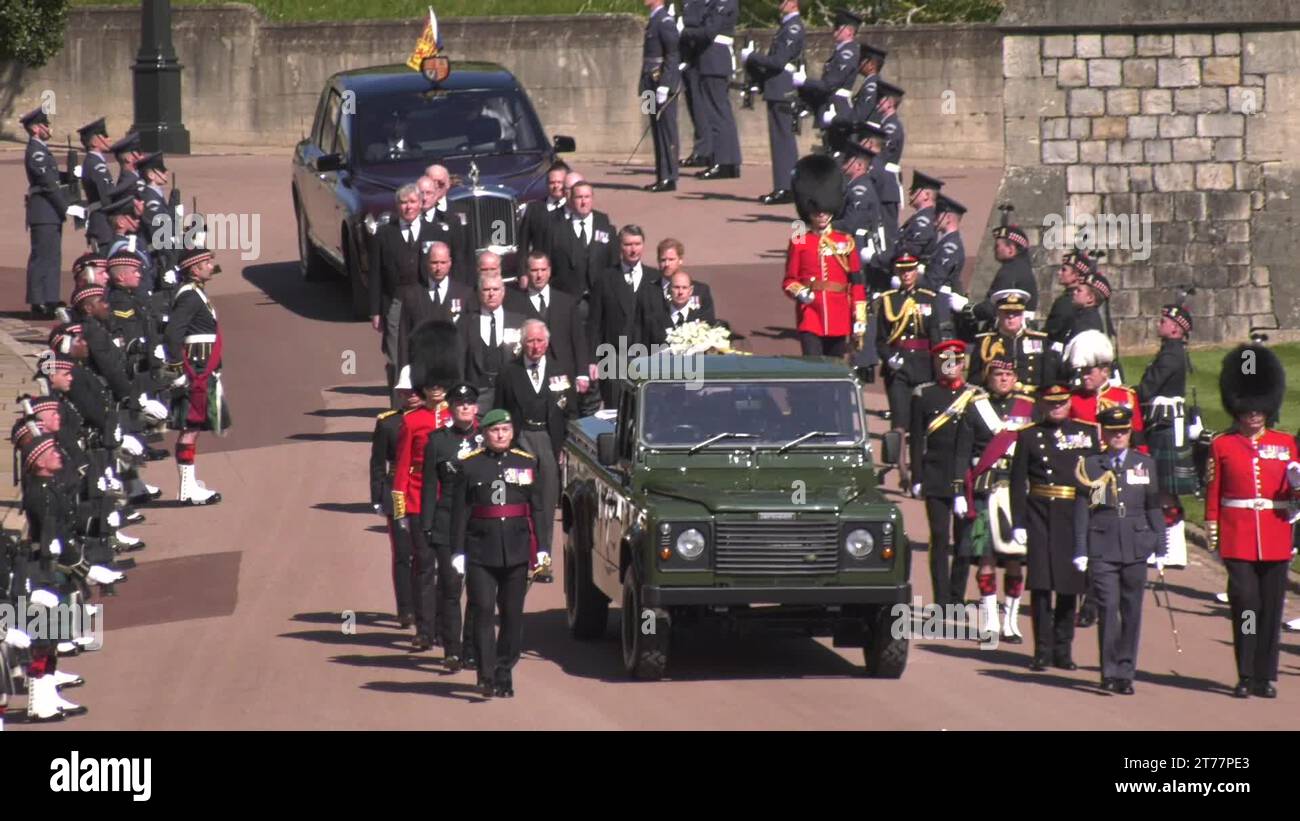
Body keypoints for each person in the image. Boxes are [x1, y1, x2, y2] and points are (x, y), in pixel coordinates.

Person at [1205, 342, 1296, 698]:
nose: (1254, 413)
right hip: (1238, 536)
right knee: (1246, 604)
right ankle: (1245, 673)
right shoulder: (1222, 445)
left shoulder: (1286, 443)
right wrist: (1213, 532)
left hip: (1275, 535)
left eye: (1260, 406)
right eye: (1248, 406)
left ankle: (1265, 676)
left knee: (1271, 610)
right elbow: (1214, 492)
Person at [450, 409, 548, 698]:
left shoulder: (527, 462)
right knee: (482, 610)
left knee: (512, 616)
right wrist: (458, 551)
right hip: (481, 549)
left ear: (513, 432)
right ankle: (486, 673)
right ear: (485, 433)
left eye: (505, 429)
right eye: (495, 430)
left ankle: (505, 671)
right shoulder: (470, 466)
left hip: (516, 552)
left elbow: (538, 510)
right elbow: (460, 512)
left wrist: (542, 549)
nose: (501, 435)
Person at [1073, 405, 1165, 695]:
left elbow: (1153, 507)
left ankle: (1126, 672)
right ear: (1105, 434)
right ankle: (1109, 671)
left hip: (1136, 546)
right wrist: (1081, 549)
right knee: (1108, 608)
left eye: (1123, 432)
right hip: (1103, 544)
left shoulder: (1144, 464)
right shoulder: (1092, 466)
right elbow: (1085, 510)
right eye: (1113, 433)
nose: (1119, 437)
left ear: (1129, 432)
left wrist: (1161, 546)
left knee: (1132, 610)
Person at [1010, 383, 1098, 670]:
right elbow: (1017, 482)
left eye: (1061, 402)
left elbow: (1096, 479)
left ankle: (1063, 649)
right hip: (1040, 515)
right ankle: (1041, 650)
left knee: (1069, 586)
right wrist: (1019, 521)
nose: (1056, 407)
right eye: (1051, 403)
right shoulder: (1029, 436)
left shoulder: (1085, 434)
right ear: (1042, 404)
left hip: (1074, 515)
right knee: (1041, 585)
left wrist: (1095, 520)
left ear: (1069, 403)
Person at [954, 358, 1036, 642]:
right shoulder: (975, 407)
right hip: (984, 490)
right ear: (988, 378)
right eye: (998, 374)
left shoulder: (1029, 407)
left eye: (1009, 374)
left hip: (1017, 493)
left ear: (1016, 378)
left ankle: (1011, 623)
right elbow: (962, 453)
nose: (1003, 379)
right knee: (985, 559)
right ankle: (989, 622)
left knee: (1015, 559)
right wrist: (958, 492)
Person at [391, 321, 460, 651]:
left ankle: (448, 631)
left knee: (449, 572)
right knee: (423, 566)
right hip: (418, 501)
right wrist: (401, 510)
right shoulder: (412, 422)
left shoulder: (459, 421)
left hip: (449, 502)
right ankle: (424, 628)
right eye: (429, 385)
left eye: (439, 384)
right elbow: (402, 468)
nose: (435, 390)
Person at [495, 319, 579, 579]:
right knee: (519, 502)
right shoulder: (508, 373)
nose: (535, 346)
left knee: (544, 504)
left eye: (540, 341)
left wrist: (565, 446)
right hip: (520, 442)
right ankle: (517, 558)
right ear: (522, 343)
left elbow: (571, 412)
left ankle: (543, 558)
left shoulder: (561, 370)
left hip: (549, 444)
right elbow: (500, 412)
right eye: (530, 341)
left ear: (548, 342)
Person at [909, 339, 979, 606]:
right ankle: (940, 598)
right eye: (945, 361)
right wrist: (917, 477)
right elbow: (916, 439)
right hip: (936, 473)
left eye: (956, 361)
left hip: (967, 477)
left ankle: (956, 595)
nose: (951, 366)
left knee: (964, 541)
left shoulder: (975, 395)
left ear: (963, 363)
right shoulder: (924, 394)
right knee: (939, 537)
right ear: (937, 363)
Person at [420, 383, 484, 671]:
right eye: (459, 403)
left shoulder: (487, 439)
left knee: (478, 592)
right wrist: (427, 525)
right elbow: (429, 486)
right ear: (451, 407)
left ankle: (470, 649)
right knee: (450, 588)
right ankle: (452, 650)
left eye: (469, 402)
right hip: (446, 523)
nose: (464, 407)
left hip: (479, 524)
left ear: (476, 407)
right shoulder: (438, 441)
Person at [164, 247, 230, 505]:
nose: (211, 265)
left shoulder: (196, 293)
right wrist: (180, 370)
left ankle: (189, 484)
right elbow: (172, 335)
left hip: (203, 369)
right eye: (207, 262)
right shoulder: (190, 297)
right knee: (190, 427)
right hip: (196, 371)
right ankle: (186, 489)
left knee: (194, 428)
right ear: (194, 268)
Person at [783, 154, 864, 358]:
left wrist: (859, 315)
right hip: (810, 315)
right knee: (813, 366)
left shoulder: (845, 241)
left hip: (839, 314)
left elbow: (857, 282)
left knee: (836, 367)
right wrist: (800, 292)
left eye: (825, 211)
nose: (821, 214)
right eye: (817, 211)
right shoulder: (800, 239)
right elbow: (789, 279)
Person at [371, 383, 424, 629]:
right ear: (400, 394)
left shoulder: (434, 419)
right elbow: (378, 464)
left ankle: (425, 607)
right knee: (403, 553)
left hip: (425, 489)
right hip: (397, 491)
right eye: (406, 391)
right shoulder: (388, 423)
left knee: (425, 555)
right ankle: (405, 609)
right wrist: (378, 498)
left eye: (415, 390)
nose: (411, 395)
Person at [742, 0, 804, 204]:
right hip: (777, 86)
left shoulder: (793, 27)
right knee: (779, 139)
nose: (780, 4)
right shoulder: (785, 26)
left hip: (782, 87)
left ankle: (786, 188)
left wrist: (752, 57)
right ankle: (784, 186)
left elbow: (778, 61)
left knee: (782, 139)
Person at [22, 107, 82, 318]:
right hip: (43, 210)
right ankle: (38, 301)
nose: (49, 128)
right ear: (36, 128)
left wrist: (70, 175)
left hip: (50, 211)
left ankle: (49, 297)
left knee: (53, 256)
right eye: (45, 125)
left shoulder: (42, 150)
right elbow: (47, 184)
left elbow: (53, 176)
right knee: (42, 256)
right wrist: (65, 206)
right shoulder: (36, 151)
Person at [875, 255, 948, 427]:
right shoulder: (889, 300)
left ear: (916, 272)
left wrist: (941, 368)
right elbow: (881, 339)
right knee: (899, 421)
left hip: (924, 365)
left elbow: (935, 336)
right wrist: (889, 357)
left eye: (910, 270)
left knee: (921, 421)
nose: (906, 274)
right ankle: (895, 453)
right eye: (902, 271)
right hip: (898, 366)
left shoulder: (928, 298)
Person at [508, 253, 592, 397]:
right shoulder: (515, 305)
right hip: (530, 375)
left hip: (564, 375)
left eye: (543, 269)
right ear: (527, 272)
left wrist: (582, 374)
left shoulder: (566, 302)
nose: (539, 275)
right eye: (534, 270)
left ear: (550, 271)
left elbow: (578, 340)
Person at [369, 184, 426, 387]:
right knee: (395, 355)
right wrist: (375, 311)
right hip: (394, 301)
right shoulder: (383, 234)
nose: (408, 207)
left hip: (424, 301)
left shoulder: (433, 231)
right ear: (396, 206)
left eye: (412, 202)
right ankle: (397, 407)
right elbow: (375, 274)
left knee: (423, 352)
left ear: (421, 203)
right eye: (403, 202)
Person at [1138, 304, 1194, 496]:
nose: (1158, 324)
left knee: (1164, 491)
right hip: (1164, 421)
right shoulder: (1170, 351)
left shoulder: (1170, 354)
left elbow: (1148, 389)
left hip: (1165, 422)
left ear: (1175, 328)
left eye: (1163, 321)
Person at [682, 0, 741, 180]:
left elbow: (709, 31)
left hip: (714, 59)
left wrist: (684, 32)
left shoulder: (724, 2)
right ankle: (726, 162)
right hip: (708, 59)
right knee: (717, 113)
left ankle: (723, 162)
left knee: (718, 115)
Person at [395, 242, 474, 373]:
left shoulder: (464, 294)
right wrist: (404, 370)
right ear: (427, 263)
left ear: (450, 263)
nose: (438, 267)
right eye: (434, 262)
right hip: (422, 368)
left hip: (455, 368)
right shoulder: (412, 295)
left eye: (443, 262)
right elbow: (404, 337)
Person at [967, 290, 1055, 394]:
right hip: (995, 400)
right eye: (1007, 312)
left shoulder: (1039, 340)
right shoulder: (985, 341)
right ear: (998, 313)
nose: (1011, 317)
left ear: (1022, 314)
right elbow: (974, 380)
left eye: (1016, 313)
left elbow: (1048, 379)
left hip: (1031, 400)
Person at [462, 272, 526, 411]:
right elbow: (459, 362)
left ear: (503, 292)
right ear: (479, 293)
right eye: (486, 290)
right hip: (477, 394)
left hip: (510, 393)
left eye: (495, 289)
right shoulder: (465, 323)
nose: (491, 294)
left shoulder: (519, 322)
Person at [792, 9, 862, 131]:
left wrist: (804, 81)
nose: (834, 30)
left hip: (837, 108)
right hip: (830, 105)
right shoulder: (840, 51)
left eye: (838, 27)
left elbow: (829, 84)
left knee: (836, 148)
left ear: (849, 31)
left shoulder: (848, 53)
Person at [546, 181, 618, 299]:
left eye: (587, 197)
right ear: (571, 199)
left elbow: (614, 263)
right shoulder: (557, 230)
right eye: (579, 197)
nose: (583, 202)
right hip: (568, 298)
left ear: (592, 199)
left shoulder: (606, 228)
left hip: (599, 298)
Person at [641, 0, 681, 192]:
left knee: (666, 129)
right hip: (649, 83)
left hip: (660, 82)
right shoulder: (653, 19)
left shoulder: (665, 20)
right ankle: (661, 175)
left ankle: (669, 177)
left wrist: (665, 85)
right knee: (654, 129)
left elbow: (672, 55)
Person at [417, 167, 474, 286]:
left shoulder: (460, 212)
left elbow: (467, 253)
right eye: (433, 182)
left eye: (441, 182)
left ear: (448, 184)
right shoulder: (414, 216)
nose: (437, 186)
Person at [971, 223, 1037, 326]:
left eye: (997, 246)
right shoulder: (1024, 269)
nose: (994, 249)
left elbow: (992, 307)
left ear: (1011, 249)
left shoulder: (1010, 271)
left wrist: (969, 308)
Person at [638, 271, 716, 346]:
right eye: (676, 287)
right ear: (669, 289)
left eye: (684, 288)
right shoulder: (655, 320)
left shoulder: (700, 319)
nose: (680, 292)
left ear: (691, 290)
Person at [516, 160, 569, 270]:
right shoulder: (534, 209)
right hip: (539, 272)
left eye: (560, 182)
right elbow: (523, 244)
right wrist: (522, 273)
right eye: (552, 182)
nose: (556, 186)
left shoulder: (572, 209)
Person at [76, 118, 116, 253]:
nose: (108, 139)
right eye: (104, 136)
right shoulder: (95, 164)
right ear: (94, 141)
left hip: (102, 223)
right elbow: (107, 196)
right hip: (103, 225)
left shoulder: (96, 162)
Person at [894, 171, 941, 266]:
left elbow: (912, 249)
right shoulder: (921, 216)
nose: (910, 194)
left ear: (926, 195)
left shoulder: (924, 220)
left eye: (914, 191)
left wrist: (881, 258)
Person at [924, 194, 967, 296]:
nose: (934, 219)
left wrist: (916, 277)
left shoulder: (950, 246)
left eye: (937, 215)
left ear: (948, 217)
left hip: (940, 300)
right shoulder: (945, 242)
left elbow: (935, 279)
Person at [1044, 251, 1089, 346]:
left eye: (1064, 270)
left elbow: (1052, 331)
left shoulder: (1064, 302)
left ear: (1076, 275)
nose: (1059, 272)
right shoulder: (1083, 300)